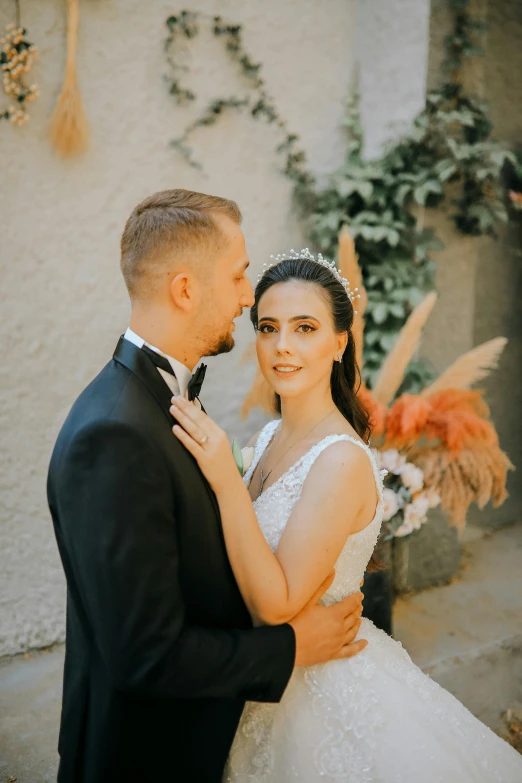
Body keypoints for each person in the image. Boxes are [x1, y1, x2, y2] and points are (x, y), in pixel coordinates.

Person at [46, 191, 367, 783]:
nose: (248, 297)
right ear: (187, 290)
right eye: (240, 275)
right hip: (144, 756)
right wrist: (292, 646)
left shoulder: (158, 403)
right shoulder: (115, 436)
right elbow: (145, 653)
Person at [171, 249, 522, 782]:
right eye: (268, 328)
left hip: (321, 698)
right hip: (262, 682)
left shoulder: (339, 459)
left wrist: (222, 479)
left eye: (304, 328)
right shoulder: (267, 437)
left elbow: (276, 605)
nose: (282, 346)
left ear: (339, 342)